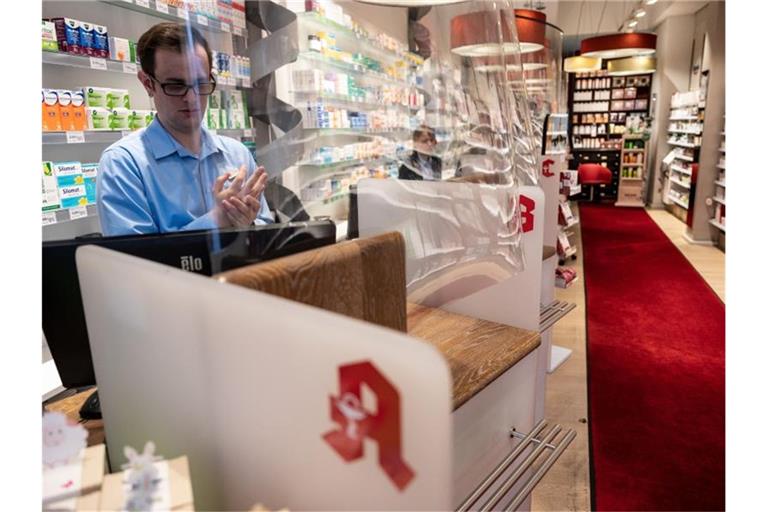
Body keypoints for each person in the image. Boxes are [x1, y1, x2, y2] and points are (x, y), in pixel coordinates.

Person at [97, 23, 272, 236]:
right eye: (175, 86)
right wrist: (218, 220)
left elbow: (265, 229)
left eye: (200, 84)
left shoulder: (237, 154)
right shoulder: (123, 164)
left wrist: (248, 226)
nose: (191, 98)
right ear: (148, 84)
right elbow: (133, 261)